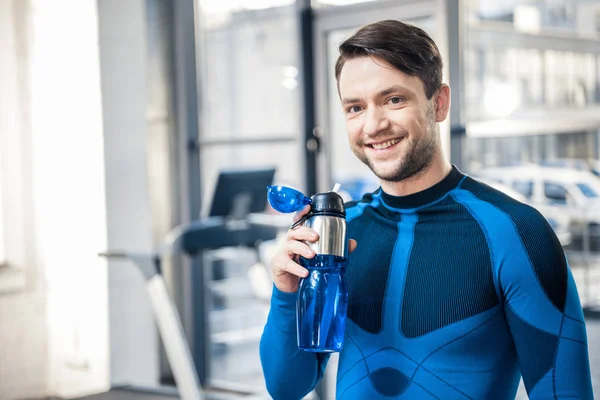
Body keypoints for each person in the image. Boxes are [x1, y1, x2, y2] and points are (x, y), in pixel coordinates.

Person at [259, 19, 594, 399]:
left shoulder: (515, 233)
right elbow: (286, 388)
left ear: (439, 103)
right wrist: (286, 293)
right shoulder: (342, 231)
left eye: (394, 99)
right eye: (355, 107)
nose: (373, 125)